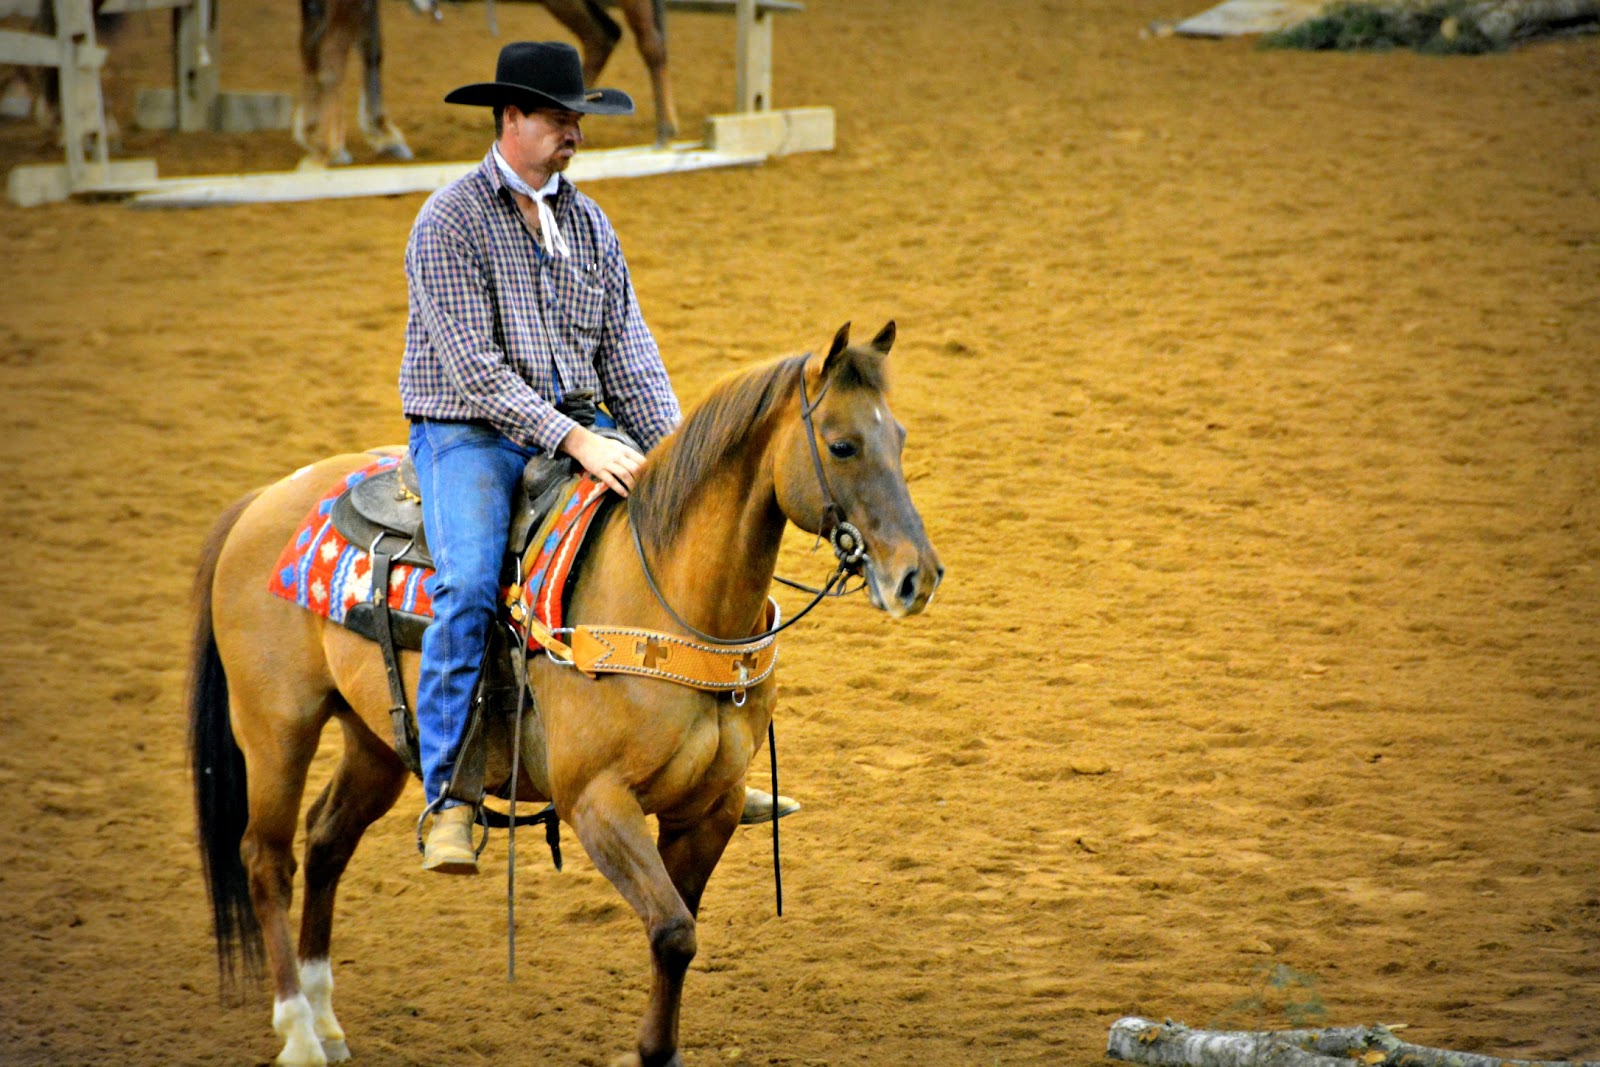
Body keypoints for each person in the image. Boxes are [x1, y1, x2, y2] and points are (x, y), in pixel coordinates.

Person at [401, 41, 795, 875]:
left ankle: (704, 763)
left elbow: (630, 356)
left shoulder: (589, 225)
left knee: (691, 546)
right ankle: (449, 795)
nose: (573, 133)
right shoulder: (447, 222)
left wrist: (682, 464)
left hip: (584, 420)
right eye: (558, 118)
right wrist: (576, 439)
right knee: (467, 583)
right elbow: (474, 370)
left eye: (577, 120)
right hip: (468, 431)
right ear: (511, 119)